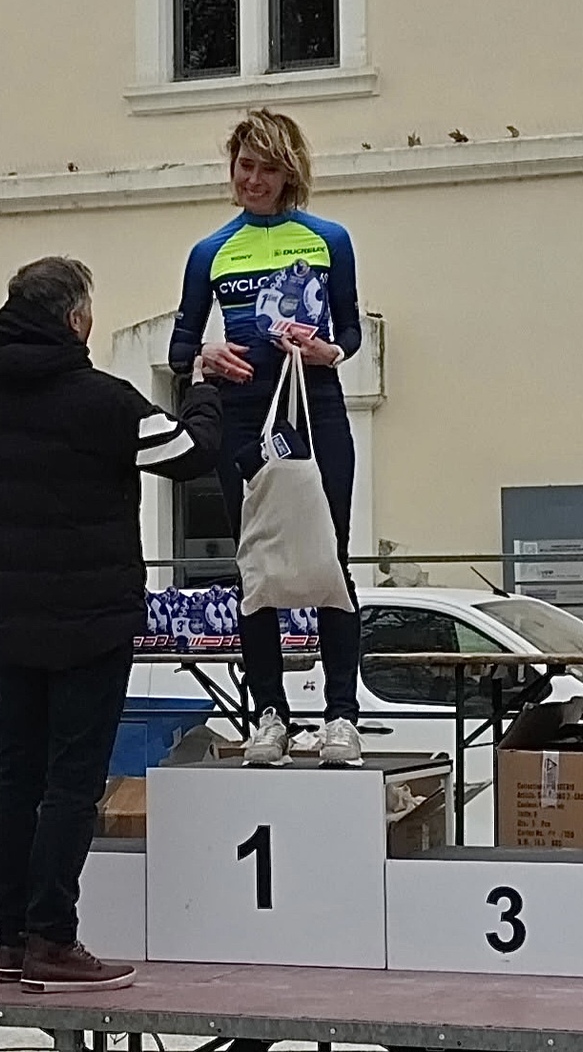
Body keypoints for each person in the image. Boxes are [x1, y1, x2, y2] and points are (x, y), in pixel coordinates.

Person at [0, 256, 222, 993]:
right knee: (71, 781)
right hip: (92, 621)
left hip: (9, 617)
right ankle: (54, 941)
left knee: (13, 775)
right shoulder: (103, 400)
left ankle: (10, 939)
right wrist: (203, 389)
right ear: (75, 319)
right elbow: (191, 456)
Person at [169, 108, 362, 767]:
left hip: (316, 408)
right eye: (244, 166)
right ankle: (269, 716)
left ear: (290, 173)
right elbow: (180, 348)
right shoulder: (210, 251)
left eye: (267, 169)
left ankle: (341, 716)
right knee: (255, 564)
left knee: (329, 557)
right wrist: (206, 357)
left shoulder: (328, 239)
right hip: (243, 416)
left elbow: (349, 330)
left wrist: (329, 352)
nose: (252, 180)